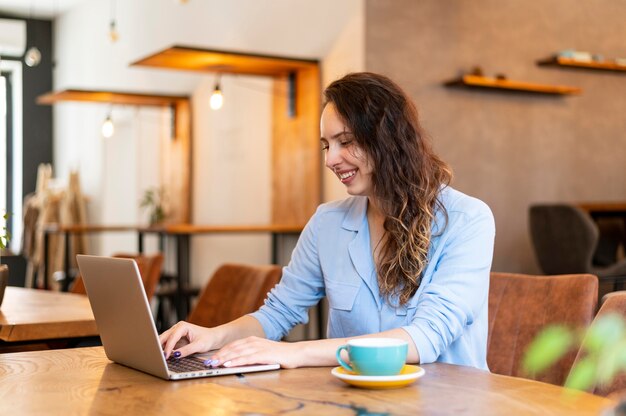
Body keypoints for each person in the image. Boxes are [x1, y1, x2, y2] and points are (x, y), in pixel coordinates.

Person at [160, 72, 495, 370]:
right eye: (326, 145)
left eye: (345, 142)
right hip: (352, 403)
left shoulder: (468, 220)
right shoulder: (327, 223)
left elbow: (425, 338)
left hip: (444, 404)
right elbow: (277, 314)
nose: (331, 159)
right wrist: (211, 336)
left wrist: (296, 353)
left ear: (388, 140)